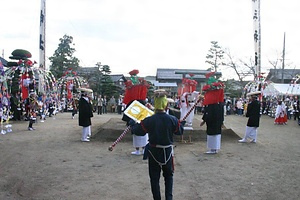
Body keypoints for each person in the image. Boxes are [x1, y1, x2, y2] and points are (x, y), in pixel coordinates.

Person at [130, 91, 185, 200]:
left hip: (153, 151)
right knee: (169, 176)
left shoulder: (149, 120)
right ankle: (169, 198)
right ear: (166, 105)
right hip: (167, 152)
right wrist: (180, 123)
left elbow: (138, 131)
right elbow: (179, 131)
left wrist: (134, 123)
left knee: (154, 178)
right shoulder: (172, 119)